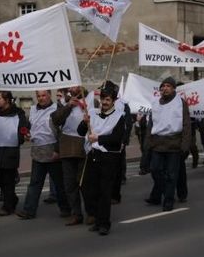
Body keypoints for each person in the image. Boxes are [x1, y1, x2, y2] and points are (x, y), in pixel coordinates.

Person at [77, 83, 125, 235]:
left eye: (108, 100)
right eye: (103, 99)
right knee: (91, 190)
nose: (104, 102)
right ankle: (97, 219)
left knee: (105, 192)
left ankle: (104, 223)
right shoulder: (92, 112)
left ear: (113, 101)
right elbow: (80, 131)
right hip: (93, 155)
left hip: (109, 157)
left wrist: (98, 138)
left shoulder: (119, 117)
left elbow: (117, 139)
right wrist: (85, 123)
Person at [16, 90, 70, 220]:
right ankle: (29, 210)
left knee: (59, 183)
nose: (41, 98)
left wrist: (58, 150)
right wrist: (28, 133)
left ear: (49, 95)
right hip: (38, 150)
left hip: (52, 149)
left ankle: (66, 209)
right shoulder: (33, 109)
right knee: (35, 183)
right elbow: (31, 125)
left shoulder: (57, 108)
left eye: (43, 95)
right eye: (38, 96)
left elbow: (63, 130)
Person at [145, 77, 191, 212]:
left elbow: (186, 124)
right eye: (163, 86)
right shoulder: (155, 103)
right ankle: (161, 192)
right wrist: (148, 143)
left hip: (174, 144)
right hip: (158, 143)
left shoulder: (180, 103)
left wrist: (185, 145)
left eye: (168, 86)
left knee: (172, 175)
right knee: (154, 170)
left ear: (173, 88)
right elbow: (151, 124)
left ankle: (168, 200)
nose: (164, 88)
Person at [0, 91, 29, 216]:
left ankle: (8, 206)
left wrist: (22, 135)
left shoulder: (18, 113)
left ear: (7, 100)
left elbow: (23, 127)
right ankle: (12, 198)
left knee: (8, 179)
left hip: (10, 149)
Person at [51, 86, 89, 225]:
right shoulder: (62, 102)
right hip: (67, 146)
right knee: (69, 184)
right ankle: (77, 213)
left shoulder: (90, 100)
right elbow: (56, 120)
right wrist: (69, 106)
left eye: (75, 85)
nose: (73, 88)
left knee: (85, 183)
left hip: (84, 145)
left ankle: (91, 212)